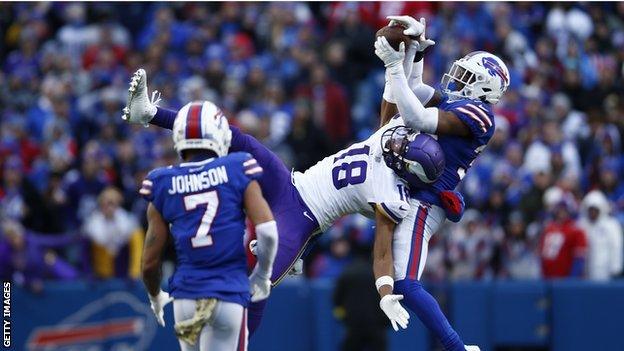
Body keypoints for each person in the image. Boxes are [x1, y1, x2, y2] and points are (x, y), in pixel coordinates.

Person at [124, 68, 427, 334]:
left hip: (301, 217)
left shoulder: (393, 191)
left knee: (256, 287)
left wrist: (386, 292)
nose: (398, 143)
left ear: (409, 169)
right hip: (289, 183)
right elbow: (397, 93)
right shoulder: (385, 136)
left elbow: (383, 249)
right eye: (402, 140)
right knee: (238, 139)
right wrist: (407, 55)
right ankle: (150, 113)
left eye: (404, 148)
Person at [373, 14, 511, 351]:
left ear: (485, 87)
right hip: (413, 191)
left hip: (427, 201)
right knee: (402, 279)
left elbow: (415, 115)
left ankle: (457, 347)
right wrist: (413, 54)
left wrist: (394, 67)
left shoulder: (481, 115)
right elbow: (417, 90)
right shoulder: (460, 100)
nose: (458, 78)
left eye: (467, 76)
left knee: (406, 282)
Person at [139, 101, 278, 351]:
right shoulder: (237, 168)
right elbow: (268, 231)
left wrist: (155, 295)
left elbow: (149, 263)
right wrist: (262, 275)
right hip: (228, 291)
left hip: (186, 295)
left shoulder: (162, 182)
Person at [539, 189, 587, 279]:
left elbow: (579, 258)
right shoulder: (548, 228)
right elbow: (543, 254)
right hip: (547, 277)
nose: (561, 213)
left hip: (565, 278)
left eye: (564, 210)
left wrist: (572, 277)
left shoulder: (576, 230)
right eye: (559, 210)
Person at [578, 190, 623, 281]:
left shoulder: (611, 225)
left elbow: (616, 246)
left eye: (595, 210)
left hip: (605, 269)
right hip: (586, 269)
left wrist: (616, 267)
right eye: (590, 210)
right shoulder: (581, 225)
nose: (592, 212)